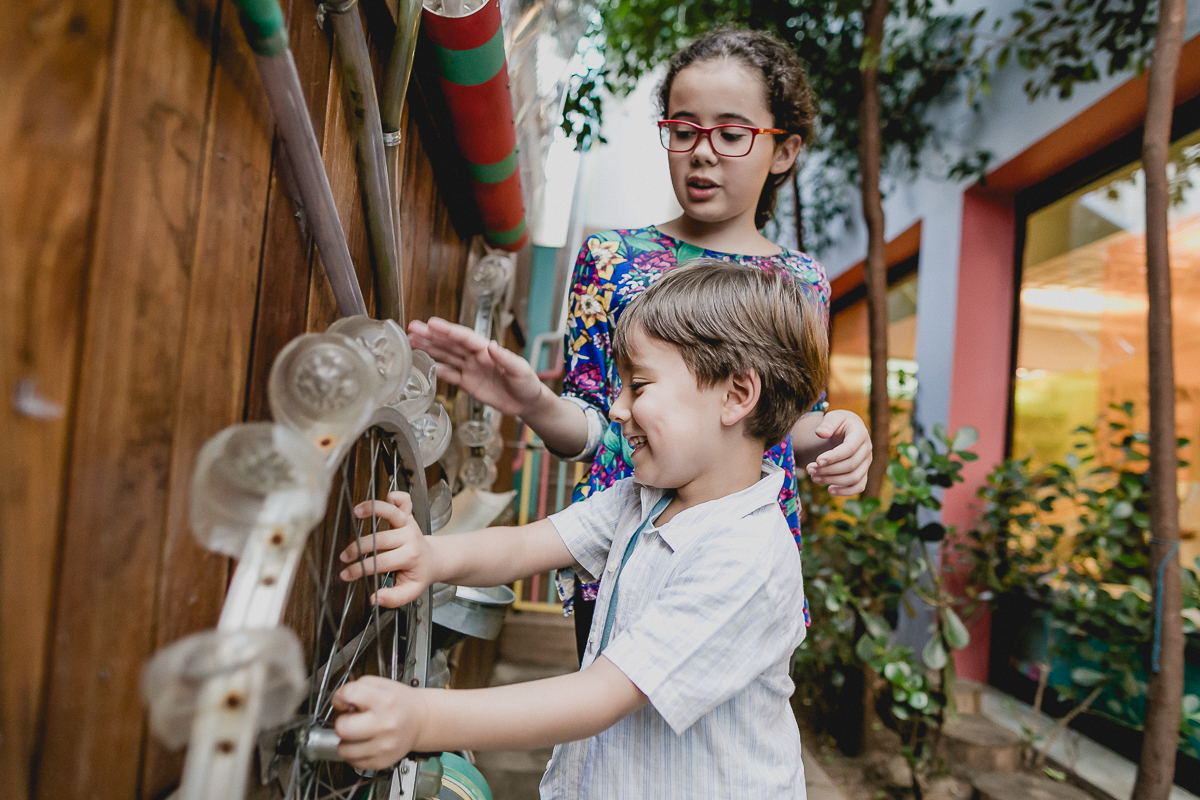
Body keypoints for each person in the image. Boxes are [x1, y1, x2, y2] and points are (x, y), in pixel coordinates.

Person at [407, 26, 871, 652]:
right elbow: (598, 424)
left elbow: (784, 423)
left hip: (739, 565)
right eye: (684, 131)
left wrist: (841, 432)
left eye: (731, 135)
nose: (702, 153)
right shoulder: (612, 259)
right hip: (619, 552)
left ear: (783, 150)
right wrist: (534, 404)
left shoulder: (801, 282)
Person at [332, 259, 829, 799]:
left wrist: (420, 718)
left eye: (639, 386)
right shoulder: (646, 499)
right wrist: (431, 556)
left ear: (736, 396)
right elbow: (530, 542)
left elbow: (600, 696)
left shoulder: (746, 555)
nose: (617, 409)